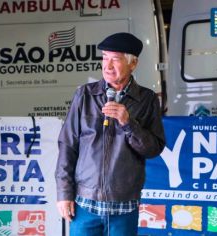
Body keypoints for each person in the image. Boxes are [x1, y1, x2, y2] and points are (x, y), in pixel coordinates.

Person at [55, 32, 166, 236]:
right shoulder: (85, 95)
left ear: (133, 64)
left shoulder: (147, 99)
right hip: (85, 203)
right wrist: (64, 193)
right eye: (104, 58)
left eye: (115, 59)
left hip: (124, 205)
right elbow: (67, 145)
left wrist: (128, 123)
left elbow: (153, 149)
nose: (107, 66)